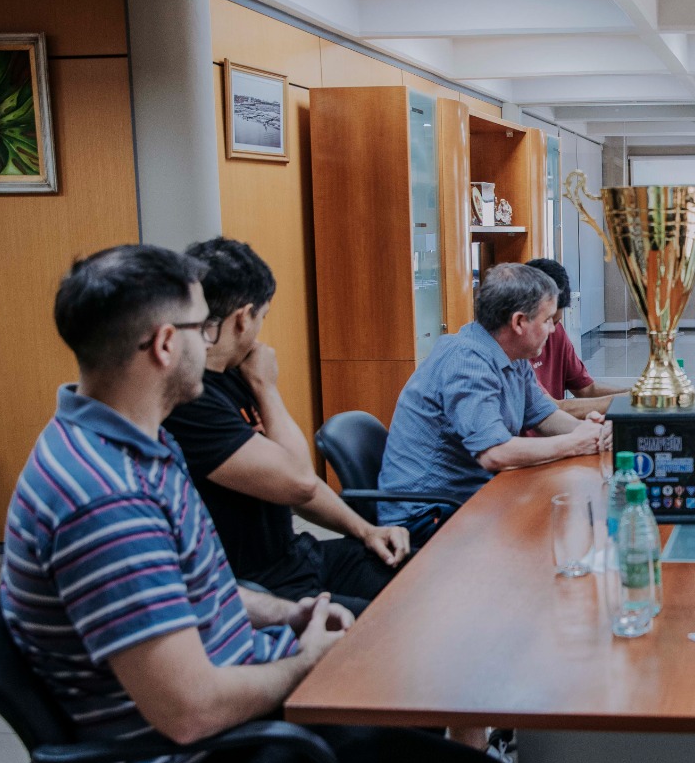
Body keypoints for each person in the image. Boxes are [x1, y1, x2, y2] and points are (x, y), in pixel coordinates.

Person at [2, 244, 518, 763]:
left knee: (410, 678)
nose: (215, 340)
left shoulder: (131, 437)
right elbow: (190, 712)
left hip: (227, 726)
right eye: (201, 327)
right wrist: (309, 662)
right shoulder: (106, 499)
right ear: (165, 344)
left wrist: (286, 614)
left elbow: (194, 590)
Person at [165, 238, 404, 616]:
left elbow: (302, 488)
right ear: (244, 318)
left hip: (296, 554)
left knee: (423, 577)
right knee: (396, 623)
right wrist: (267, 388)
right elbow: (299, 481)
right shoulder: (190, 400)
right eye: (262, 317)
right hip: (261, 586)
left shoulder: (236, 371)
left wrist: (366, 530)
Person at [379, 262, 610, 534]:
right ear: (519, 322)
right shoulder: (468, 362)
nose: (553, 330)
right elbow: (496, 453)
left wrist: (590, 432)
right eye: (547, 320)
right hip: (426, 516)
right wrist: (574, 443)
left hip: (472, 497)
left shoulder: (513, 354)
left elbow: (543, 415)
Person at [524, 257, 626, 417]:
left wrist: (641, 395)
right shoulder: (514, 351)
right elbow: (553, 410)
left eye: (556, 321)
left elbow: (586, 389)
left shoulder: (556, 331)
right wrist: (636, 401)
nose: (551, 329)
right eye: (546, 321)